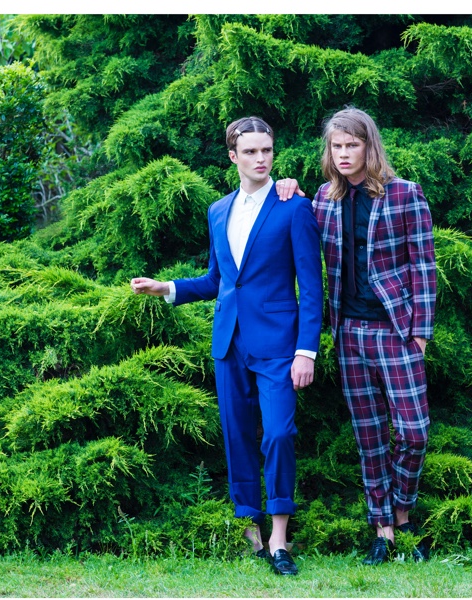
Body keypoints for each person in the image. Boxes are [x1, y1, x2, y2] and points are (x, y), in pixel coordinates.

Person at [132, 116, 323, 576]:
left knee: (278, 433)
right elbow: (218, 280)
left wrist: (307, 350)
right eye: (251, 152)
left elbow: (312, 286)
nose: (261, 159)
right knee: (237, 437)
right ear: (233, 156)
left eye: (267, 150)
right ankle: (250, 528)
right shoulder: (218, 211)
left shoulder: (294, 206)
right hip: (229, 342)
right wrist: (167, 288)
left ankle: (279, 537)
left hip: (279, 345)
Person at [276, 107, 435, 565]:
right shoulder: (323, 199)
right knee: (369, 437)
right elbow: (294, 227)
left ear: (369, 146)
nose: (343, 153)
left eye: (352, 145)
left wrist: (420, 335)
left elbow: (424, 266)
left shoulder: (404, 194)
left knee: (414, 432)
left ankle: (402, 513)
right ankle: (383, 530)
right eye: (336, 146)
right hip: (348, 332)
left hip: (396, 331)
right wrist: (286, 187)